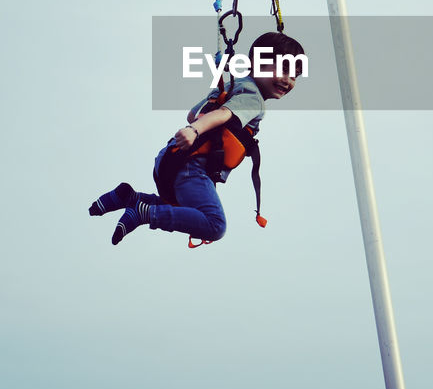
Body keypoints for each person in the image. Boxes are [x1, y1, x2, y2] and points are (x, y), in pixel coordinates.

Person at [89, 31, 305, 245]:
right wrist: (195, 131)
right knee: (214, 225)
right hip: (192, 168)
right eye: (284, 69)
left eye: (295, 75)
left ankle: (130, 198)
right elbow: (222, 114)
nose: (288, 81)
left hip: (171, 158)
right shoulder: (253, 99)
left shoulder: (232, 86)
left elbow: (193, 114)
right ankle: (145, 213)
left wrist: (197, 128)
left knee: (180, 208)